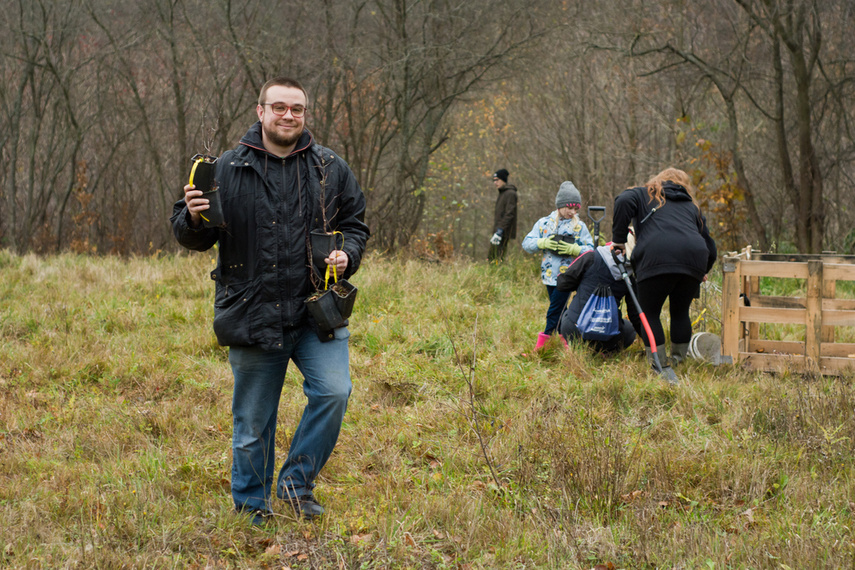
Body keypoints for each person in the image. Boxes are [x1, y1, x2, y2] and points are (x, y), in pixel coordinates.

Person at [171, 77, 369, 524]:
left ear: (304, 115)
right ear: (260, 112)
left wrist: (347, 252)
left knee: (335, 392)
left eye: (296, 109)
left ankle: (296, 485)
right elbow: (188, 234)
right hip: (251, 311)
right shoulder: (224, 169)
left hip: (317, 311)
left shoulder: (329, 168)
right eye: (278, 107)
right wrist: (195, 217)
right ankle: (251, 507)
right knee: (252, 426)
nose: (288, 115)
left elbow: (356, 224)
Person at [611, 167, 716, 369]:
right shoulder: (691, 207)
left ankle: (658, 365)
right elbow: (710, 246)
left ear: (658, 180)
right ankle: (678, 361)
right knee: (680, 312)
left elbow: (622, 201)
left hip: (655, 257)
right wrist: (703, 270)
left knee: (649, 312)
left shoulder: (643, 194)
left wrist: (618, 242)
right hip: (693, 259)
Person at [521, 181, 594, 350]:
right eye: (570, 208)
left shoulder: (579, 227)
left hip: (568, 276)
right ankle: (565, 342)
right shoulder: (544, 224)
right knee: (561, 310)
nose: (573, 212)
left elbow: (591, 250)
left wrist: (575, 249)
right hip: (549, 276)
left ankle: (541, 348)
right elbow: (527, 243)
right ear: (561, 205)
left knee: (554, 311)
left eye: (576, 209)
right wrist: (543, 242)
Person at [556, 239, 641, 354]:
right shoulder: (630, 276)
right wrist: (651, 342)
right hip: (609, 339)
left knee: (568, 315)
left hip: (575, 331)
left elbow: (562, 284)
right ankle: (605, 352)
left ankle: (576, 346)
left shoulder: (590, 257)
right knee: (629, 329)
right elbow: (635, 315)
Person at [488, 168, 518, 262]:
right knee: (491, 257)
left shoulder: (510, 193)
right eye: (494, 180)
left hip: (503, 232)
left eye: (497, 180)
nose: (495, 182)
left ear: (503, 180)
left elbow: (510, 214)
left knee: (497, 258)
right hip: (498, 231)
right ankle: (492, 275)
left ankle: (497, 275)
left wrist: (500, 230)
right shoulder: (502, 193)